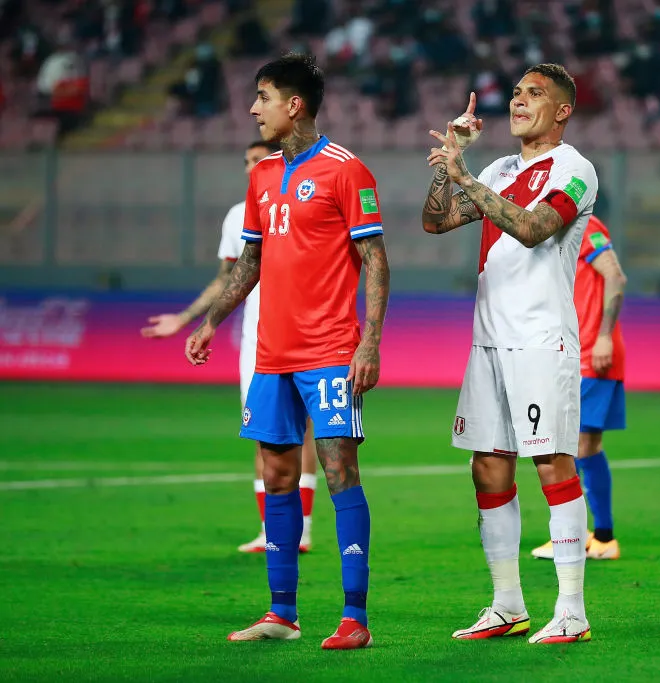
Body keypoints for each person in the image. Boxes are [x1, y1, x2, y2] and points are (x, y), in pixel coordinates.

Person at [185, 53, 390, 649]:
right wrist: (212, 321)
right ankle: (281, 613)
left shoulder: (347, 171)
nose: (253, 108)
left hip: (329, 349)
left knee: (338, 470)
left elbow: (374, 259)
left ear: (293, 104)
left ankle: (355, 619)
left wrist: (368, 344)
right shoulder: (261, 176)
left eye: (263, 96)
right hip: (272, 353)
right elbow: (249, 262)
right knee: (277, 474)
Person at [422, 63, 599, 644]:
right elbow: (436, 221)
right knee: (488, 465)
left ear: (563, 111)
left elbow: (532, 228)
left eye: (535, 94)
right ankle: (508, 605)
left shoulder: (575, 171)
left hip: (541, 339)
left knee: (551, 463)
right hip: (488, 339)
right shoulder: (499, 168)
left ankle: (571, 610)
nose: (519, 101)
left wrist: (465, 177)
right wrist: (450, 162)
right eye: (517, 93)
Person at [141, 140, 318, 556]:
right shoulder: (239, 215)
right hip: (257, 339)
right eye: (246, 162)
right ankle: (273, 531)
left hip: (310, 334)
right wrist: (187, 320)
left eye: (258, 160)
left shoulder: (309, 199)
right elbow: (227, 279)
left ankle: (304, 529)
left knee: (306, 431)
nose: (249, 168)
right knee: (265, 433)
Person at [531, 215, 627, 561]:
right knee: (572, 445)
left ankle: (599, 536)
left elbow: (615, 276)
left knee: (580, 445)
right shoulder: (552, 231)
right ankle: (584, 535)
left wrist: (603, 337)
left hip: (591, 353)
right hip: (567, 352)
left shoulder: (589, 227)